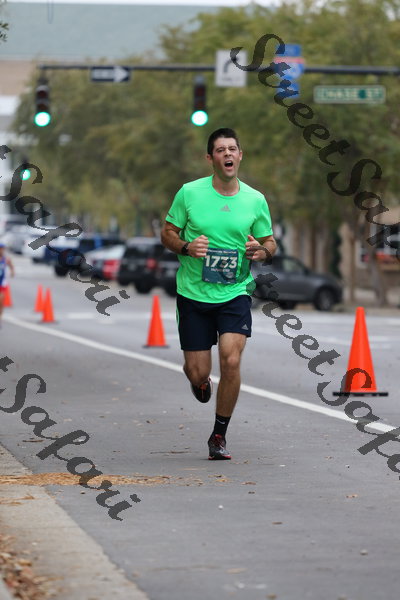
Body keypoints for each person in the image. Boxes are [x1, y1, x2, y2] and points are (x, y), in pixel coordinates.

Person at [161, 128, 277, 460]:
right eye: (220, 149)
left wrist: (262, 251)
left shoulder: (254, 199)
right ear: (210, 158)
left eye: (232, 149)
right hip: (193, 294)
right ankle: (198, 380)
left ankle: (218, 435)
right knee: (197, 370)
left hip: (235, 292)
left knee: (231, 358)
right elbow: (167, 233)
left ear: (240, 156)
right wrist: (186, 246)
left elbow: (269, 242)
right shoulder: (189, 193)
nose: (227, 154)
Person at [0, 242, 15, 326]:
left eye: (3, 249)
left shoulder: (6, 259)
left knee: (1, 302)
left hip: (2, 283)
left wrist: (12, 272)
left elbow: (11, 266)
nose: (2, 250)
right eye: (0, 249)